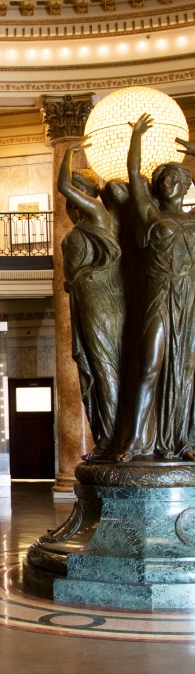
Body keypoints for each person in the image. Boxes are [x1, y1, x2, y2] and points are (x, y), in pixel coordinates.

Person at [116, 114, 195, 461]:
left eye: (174, 178)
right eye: (162, 179)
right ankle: (132, 441)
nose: (167, 183)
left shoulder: (192, 220)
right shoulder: (151, 214)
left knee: (187, 369)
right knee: (150, 364)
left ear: (185, 184)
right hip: (159, 294)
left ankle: (183, 441)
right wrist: (136, 138)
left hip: (189, 296)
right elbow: (134, 177)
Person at [57, 140, 125, 459]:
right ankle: (103, 436)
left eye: (74, 194)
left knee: (104, 363)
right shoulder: (85, 225)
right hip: (83, 296)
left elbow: (61, 186)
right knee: (90, 366)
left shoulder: (99, 214)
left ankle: (112, 437)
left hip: (100, 295)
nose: (69, 206)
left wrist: (70, 153)